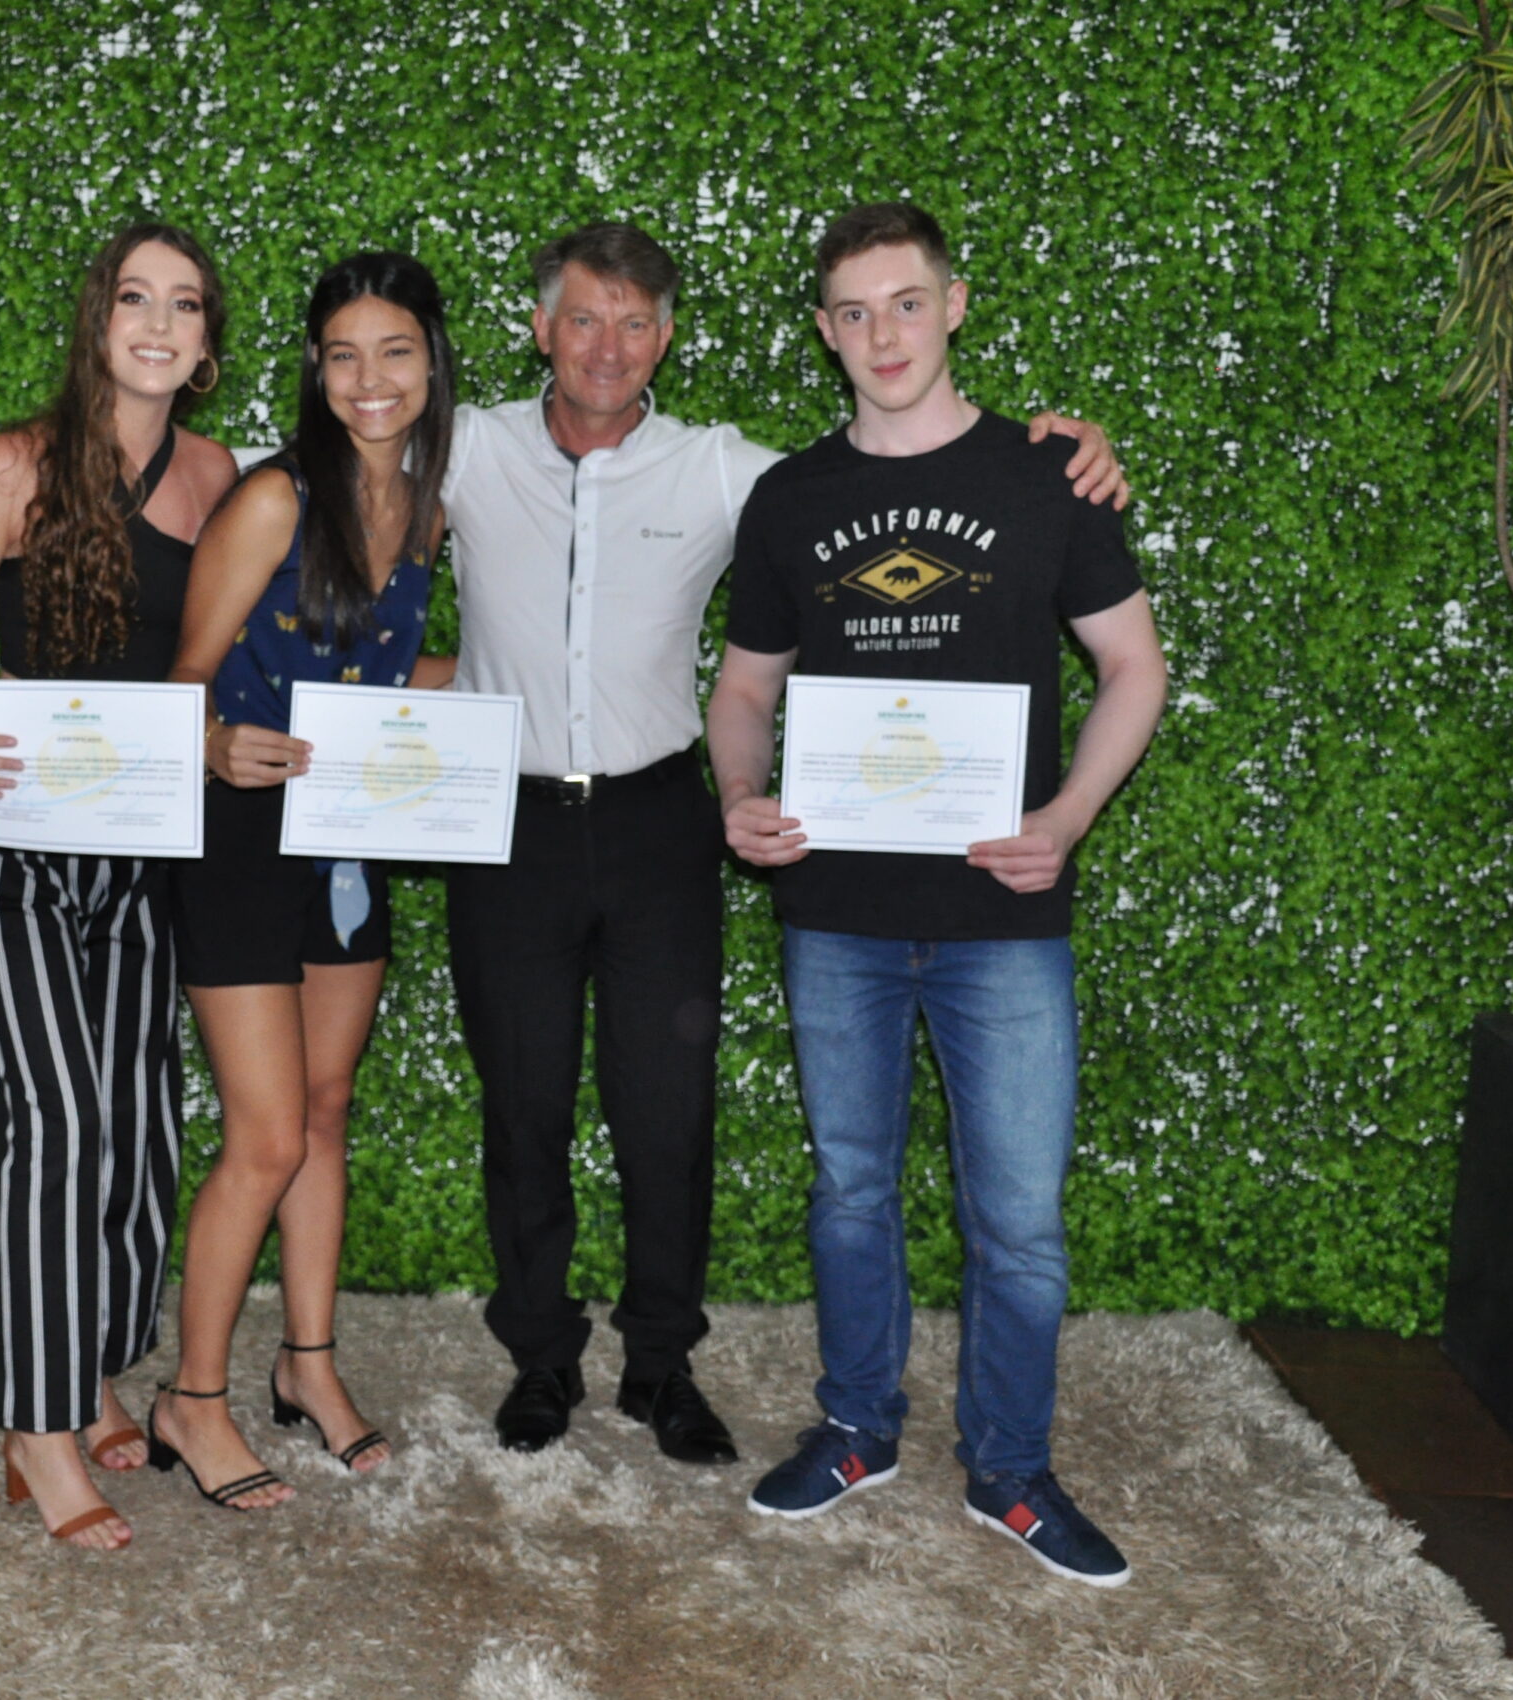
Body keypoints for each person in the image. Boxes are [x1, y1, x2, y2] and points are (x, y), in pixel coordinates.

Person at [439, 223, 1129, 1462]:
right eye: (583, 318)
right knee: (526, 1107)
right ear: (540, 328)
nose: (608, 346)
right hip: (521, 826)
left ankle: (664, 1366)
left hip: (670, 825)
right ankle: (545, 1357)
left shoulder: (733, 473)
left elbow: (905, 474)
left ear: (665, 339)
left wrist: (1078, 445)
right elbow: (330, 470)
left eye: (635, 322)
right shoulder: (468, 446)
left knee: (671, 1115)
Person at [706, 202, 1167, 1586]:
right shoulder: (790, 498)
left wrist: (1065, 821)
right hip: (836, 913)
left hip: (1002, 917)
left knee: (1017, 1217)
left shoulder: (1049, 477)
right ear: (824, 331)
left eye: (905, 302)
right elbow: (744, 691)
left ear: (953, 305)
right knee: (851, 1189)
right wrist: (739, 797)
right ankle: (857, 1427)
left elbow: (1133, 669)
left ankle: (1011, 1469)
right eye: (852, 312)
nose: (882, 334)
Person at [0, 223, 239, 1551]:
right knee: (51, 1117)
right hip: (17, 843)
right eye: (135, 298)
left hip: (148, 844)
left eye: (185, 305)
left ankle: (91, 1363)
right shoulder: (14, 465)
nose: (158, 322)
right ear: (100, 322)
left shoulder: (217, 477)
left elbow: (221, 661)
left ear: (207, 345)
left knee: (138, 1125)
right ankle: (36, 1428)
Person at [147, 251, 458, 1511]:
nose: (368, 378)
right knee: (268, 1133)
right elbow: (179, 680)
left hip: (347, 833)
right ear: (314, 370)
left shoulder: (428, 509)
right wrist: (214, 743)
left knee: (326, 1111)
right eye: (342, 354)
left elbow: (384, 666)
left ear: (432, 363)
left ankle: (307, 1365)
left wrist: (505, 695)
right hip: (235, 837)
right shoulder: (275, 499)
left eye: (394, 351)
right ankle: (191, 1397)